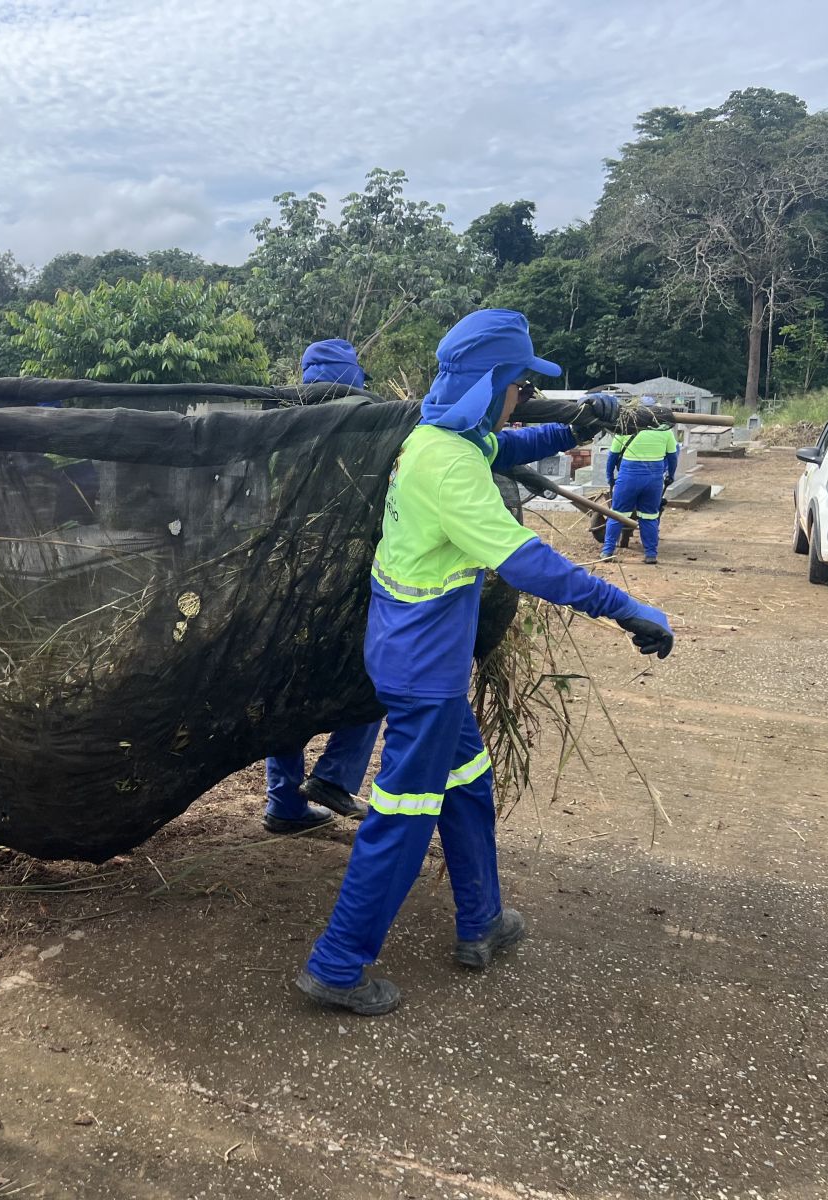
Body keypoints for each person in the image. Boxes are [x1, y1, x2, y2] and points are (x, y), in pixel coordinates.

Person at [296, 309, 674, 1016]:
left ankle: (482, 921)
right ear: (496, 381)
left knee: (469, 780)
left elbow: (505, 442)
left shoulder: (444, 436)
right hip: (423, 672)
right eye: (519, 383)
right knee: (402, 815)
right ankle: (337, 964)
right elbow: (528, 563)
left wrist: (577, 426)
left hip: (414, 656)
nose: (519, 396)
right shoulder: (448, 467)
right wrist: (623, 607)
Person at [263, 339, 379, 834]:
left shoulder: (278, 432)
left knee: (281, 695)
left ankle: (285, 806)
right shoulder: (372, 435)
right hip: (337, 591)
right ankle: (333, 775)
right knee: (372, 685)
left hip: (276, 589)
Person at [602, 398, 679, 564]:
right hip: (654, 479)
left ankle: (607, 551)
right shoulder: (665, 432)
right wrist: (670, 476)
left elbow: (612, 457)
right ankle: (651, 554)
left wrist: (610, 477)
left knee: (617, 514)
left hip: (629, 476)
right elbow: (673, 457)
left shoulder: (626, 429)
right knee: (650, 516)